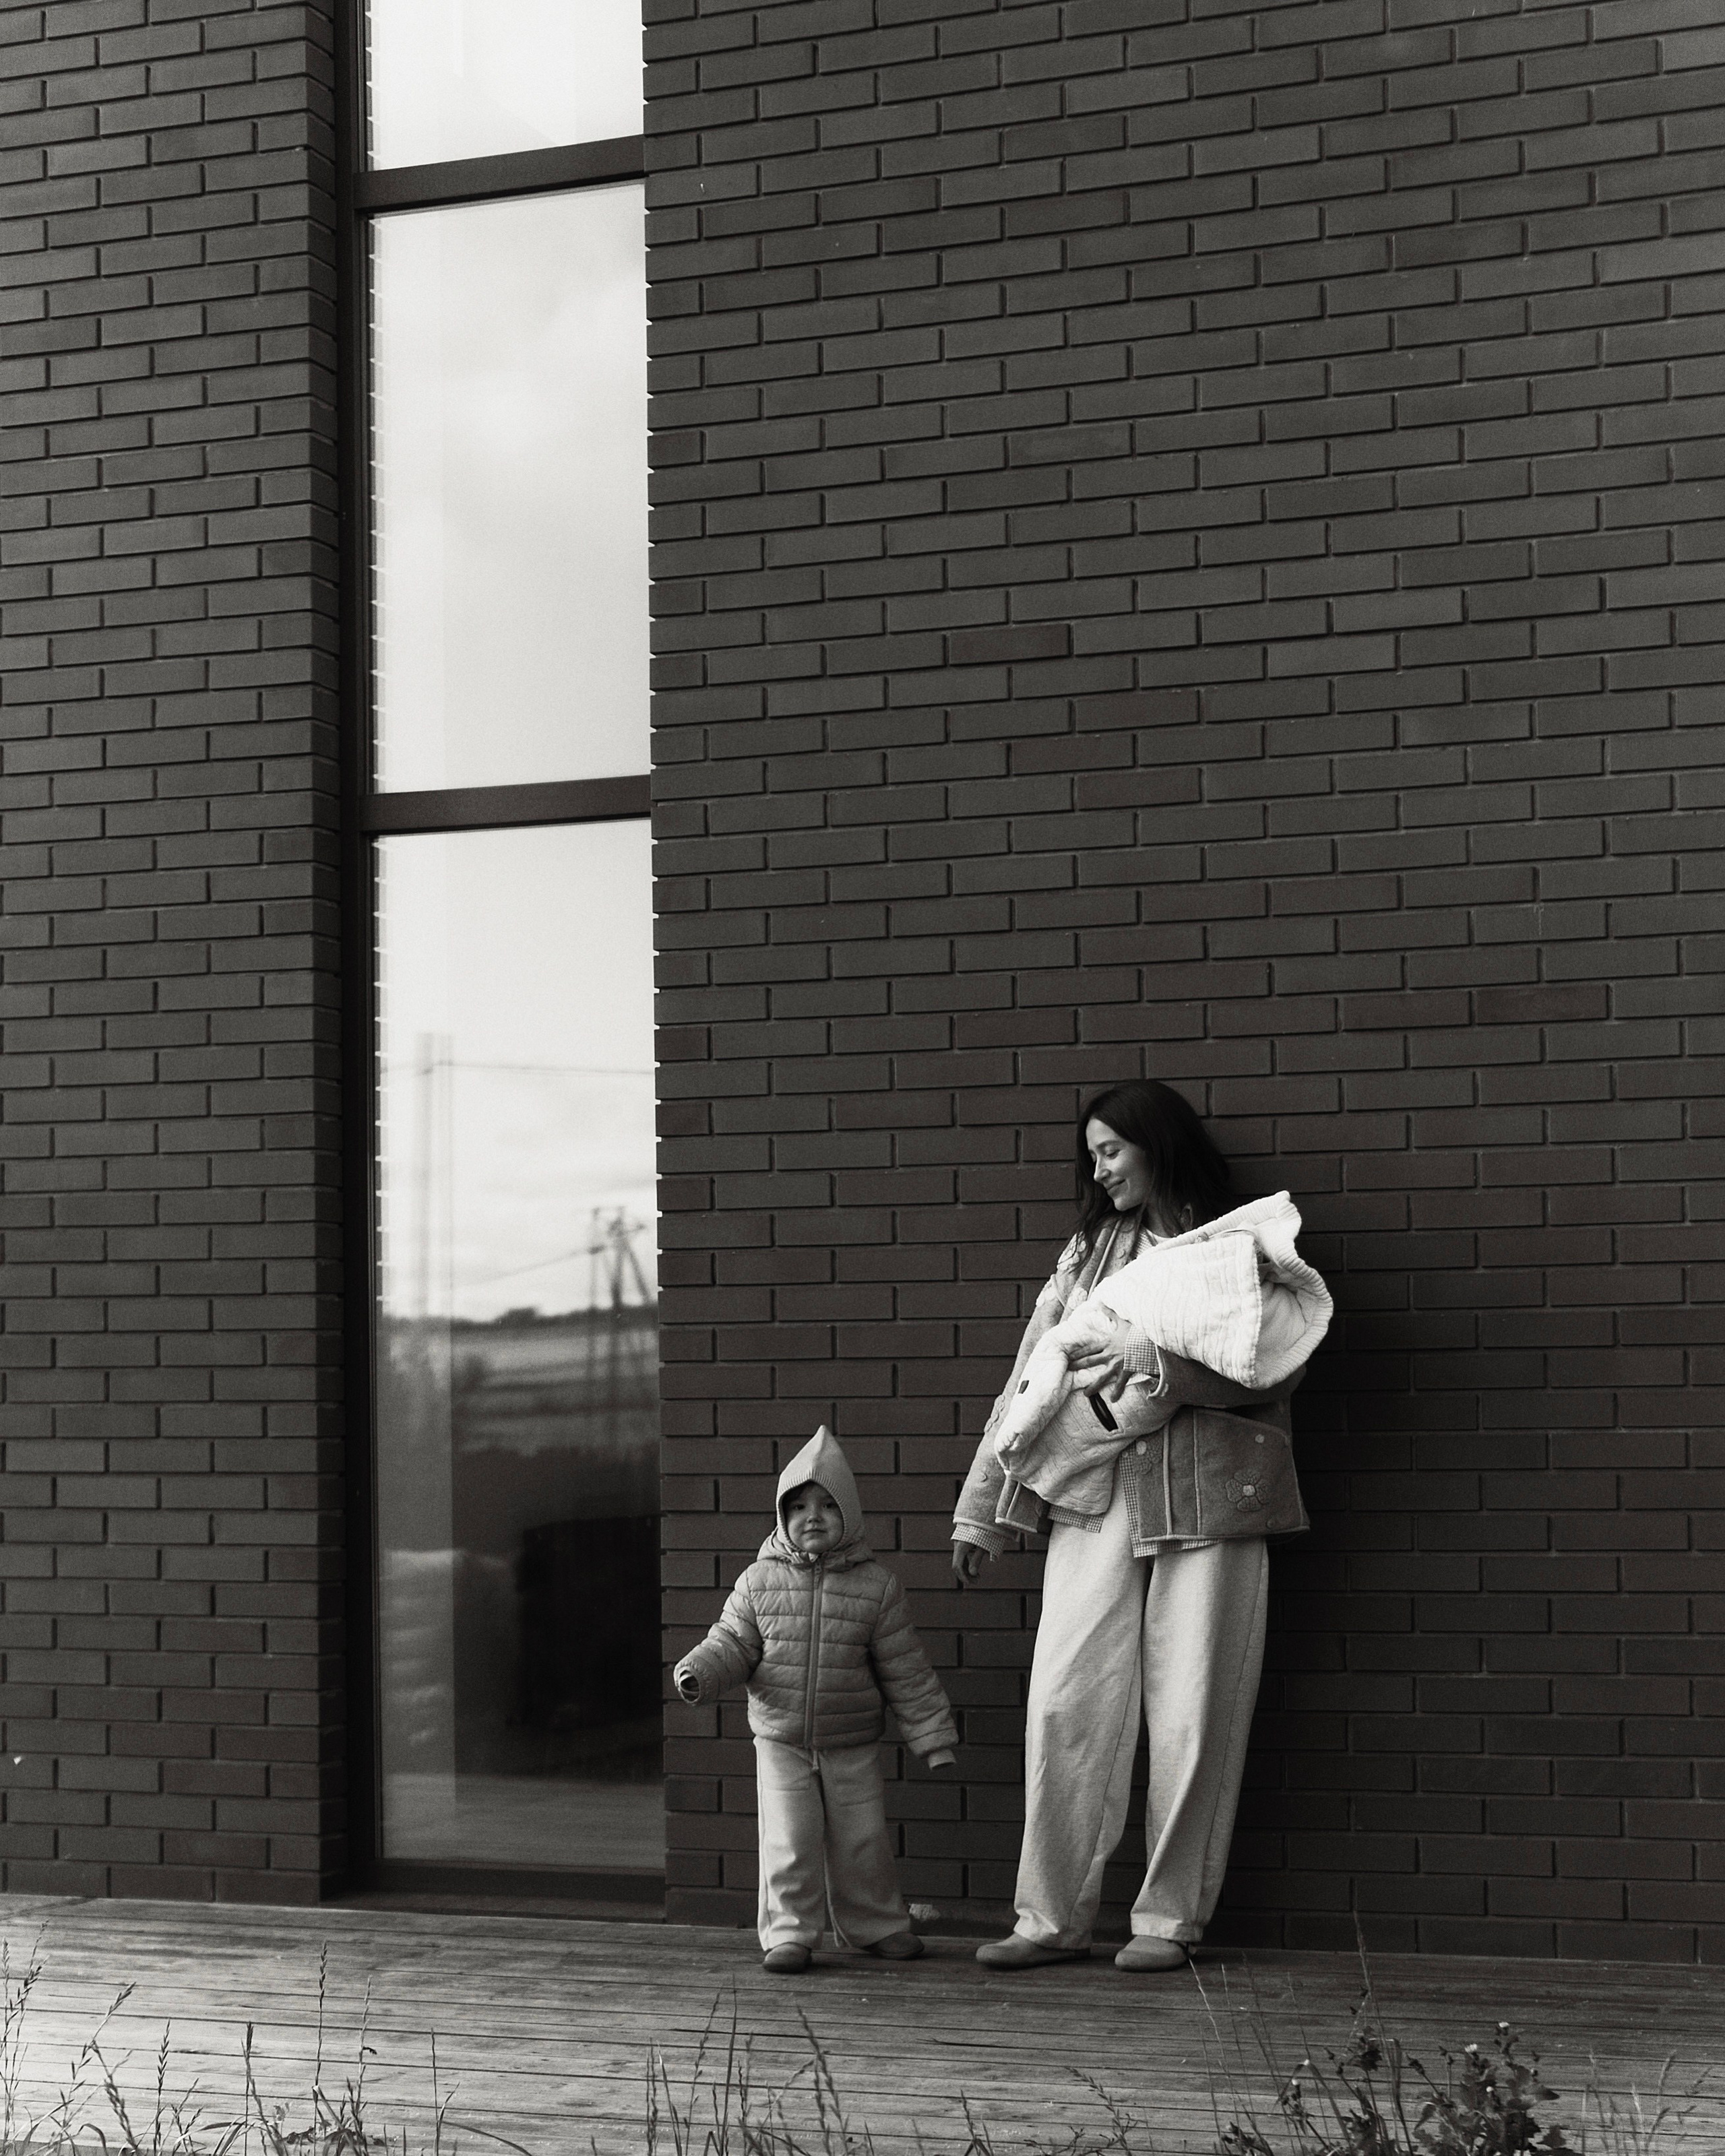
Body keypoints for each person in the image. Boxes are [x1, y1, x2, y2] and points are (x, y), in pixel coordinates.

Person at [952, 1080, 1321, 1973]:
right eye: (1092, 1153)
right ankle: (1049, 1917)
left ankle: (1169, 1921)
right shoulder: (1086, 1253)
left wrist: (1157, 1362)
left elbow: (1279, 1367)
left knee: (1197, 1704)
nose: (1098, 1167)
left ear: (1158, 1145)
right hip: (1097, 1488)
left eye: (1111, 1149)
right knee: (1066, 1699)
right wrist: (982, 1505)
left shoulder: (1246, 1244)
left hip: (1217, 1491)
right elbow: (1029, 1378)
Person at [676, 1423, 958, 1973]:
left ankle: (875, 1926)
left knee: (863, 1841)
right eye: (800, 1506)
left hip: (851, 1740)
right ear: (782, 1516)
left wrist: (934, 1736)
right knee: (789, 1839)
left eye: (829, 1505)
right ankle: (790, 1933)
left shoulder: (877, 1586)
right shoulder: (758, 1581)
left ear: (849, 1514)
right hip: (780, 1738)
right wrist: (699, 1673)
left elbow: (906, 1669)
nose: (813, 1516)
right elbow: (731, 1643)